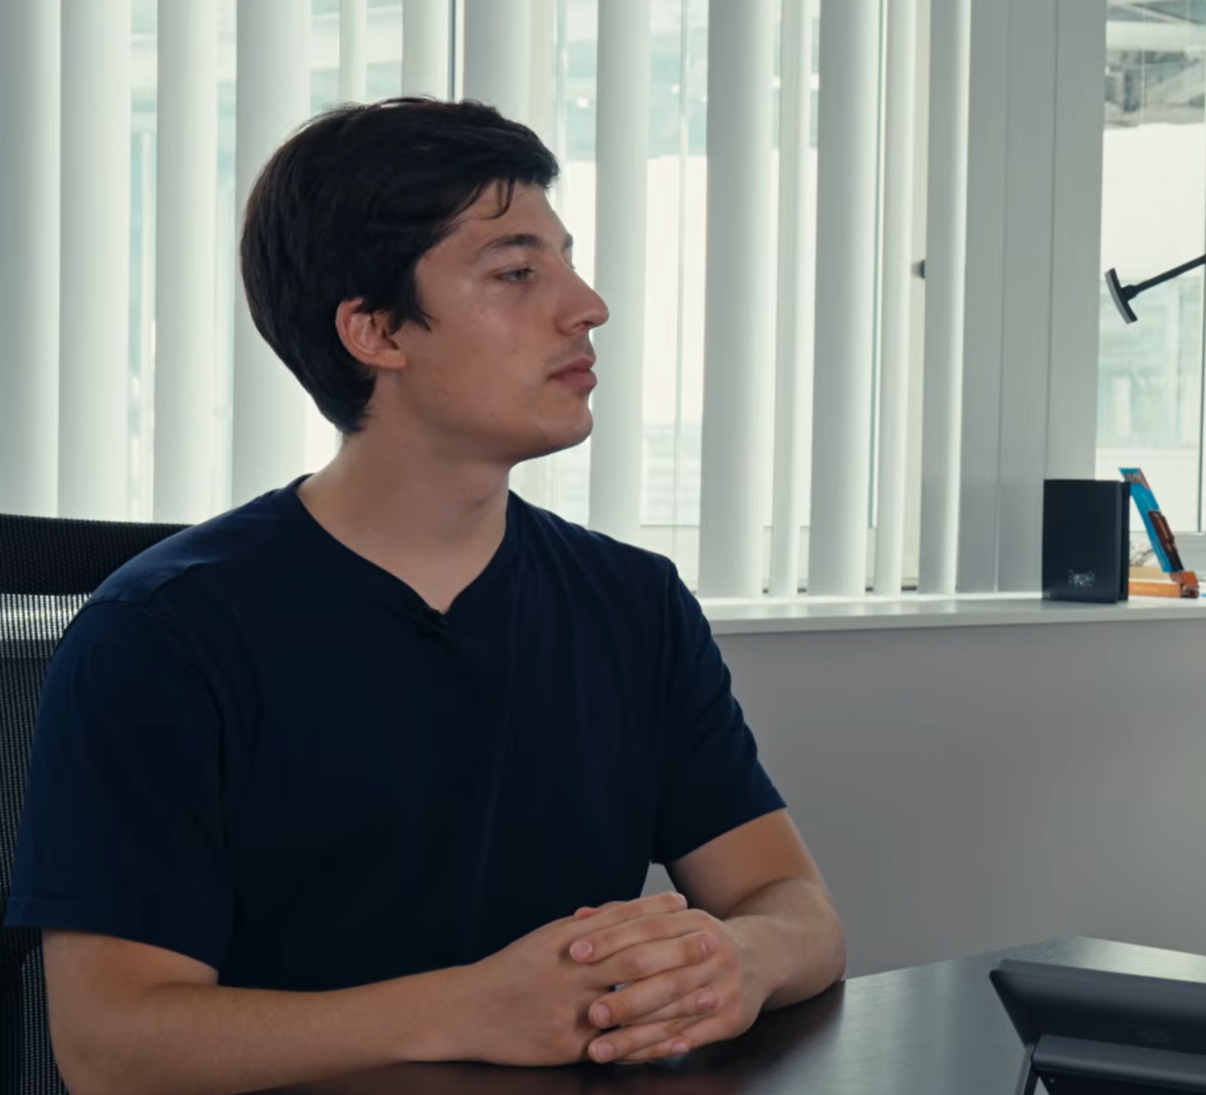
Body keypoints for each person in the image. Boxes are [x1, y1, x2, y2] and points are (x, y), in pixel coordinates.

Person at [5, 98, 846, 1095]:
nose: (588, 305)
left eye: (567, 261)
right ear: (375, 331)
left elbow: (791, 903)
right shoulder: (159, 634)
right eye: (517, 272)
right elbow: (110, 1045)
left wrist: (738, 959)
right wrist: (469, 1008)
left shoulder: (635, 603)